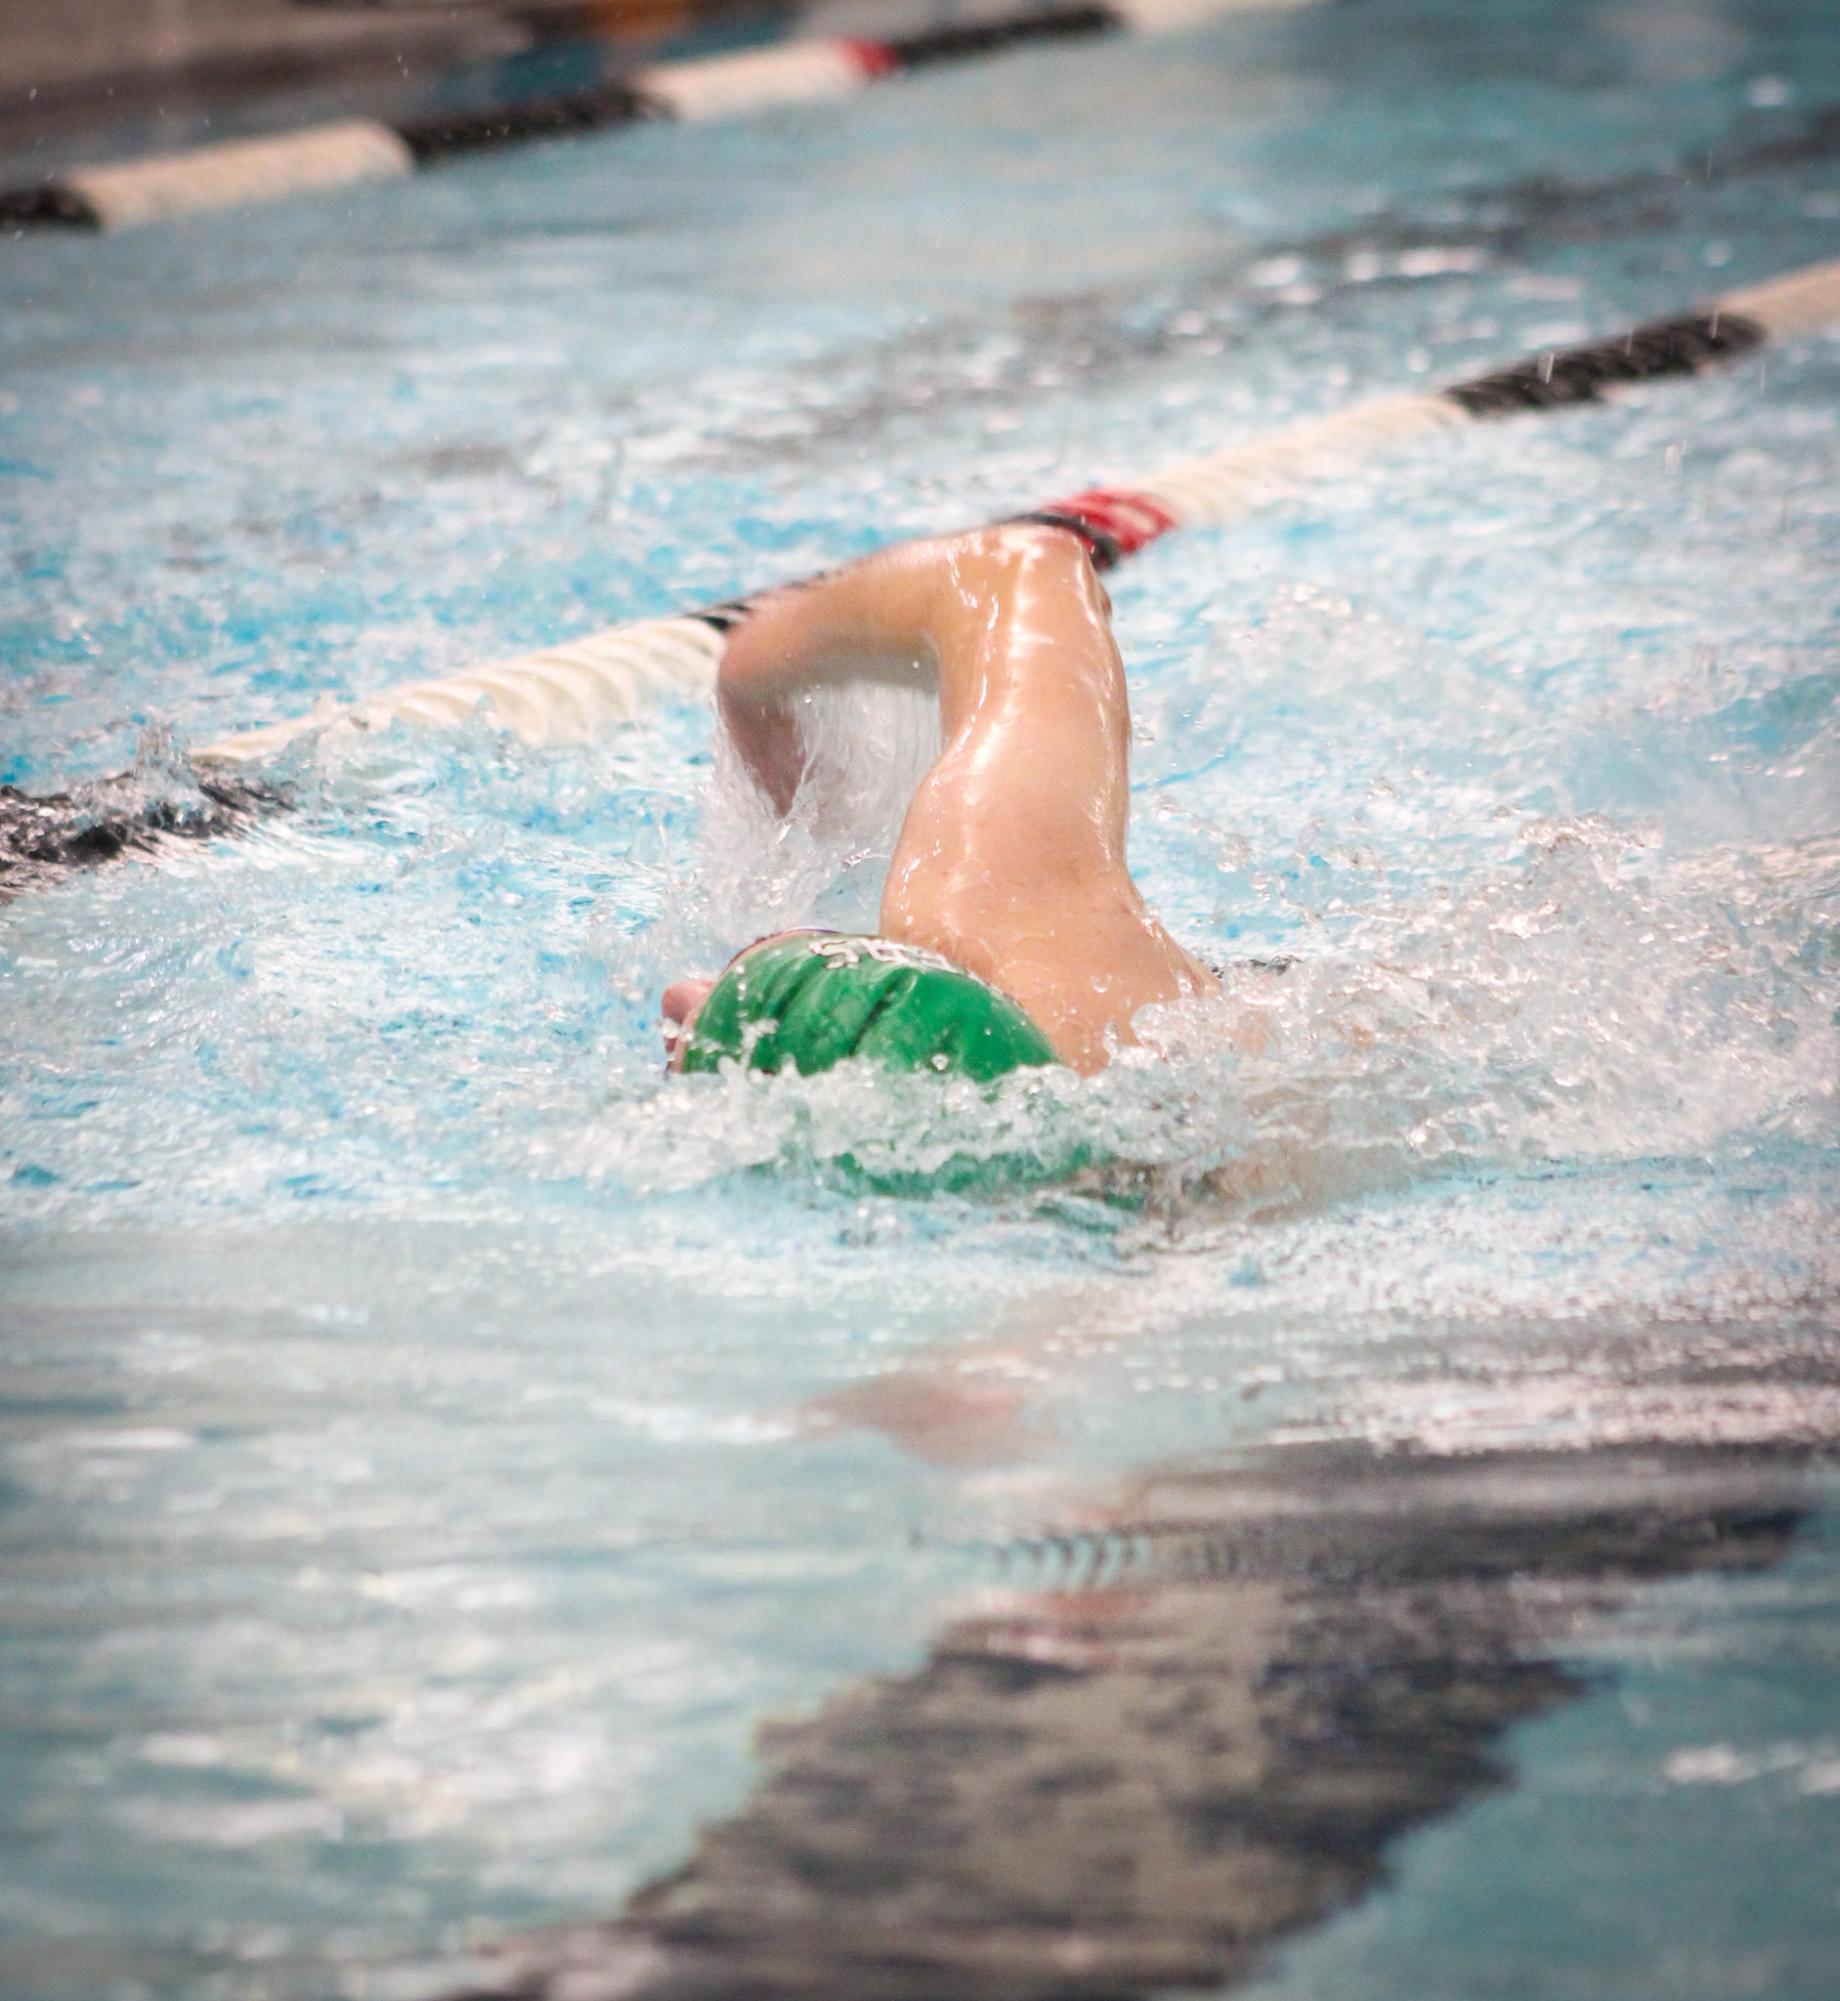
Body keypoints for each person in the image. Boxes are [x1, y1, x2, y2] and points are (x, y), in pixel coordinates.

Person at [661, 523, 1224, 1080]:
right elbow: (1012, 566)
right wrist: (758, 655)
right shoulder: (1024, 942)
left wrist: (746, 670)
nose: (679, 998)